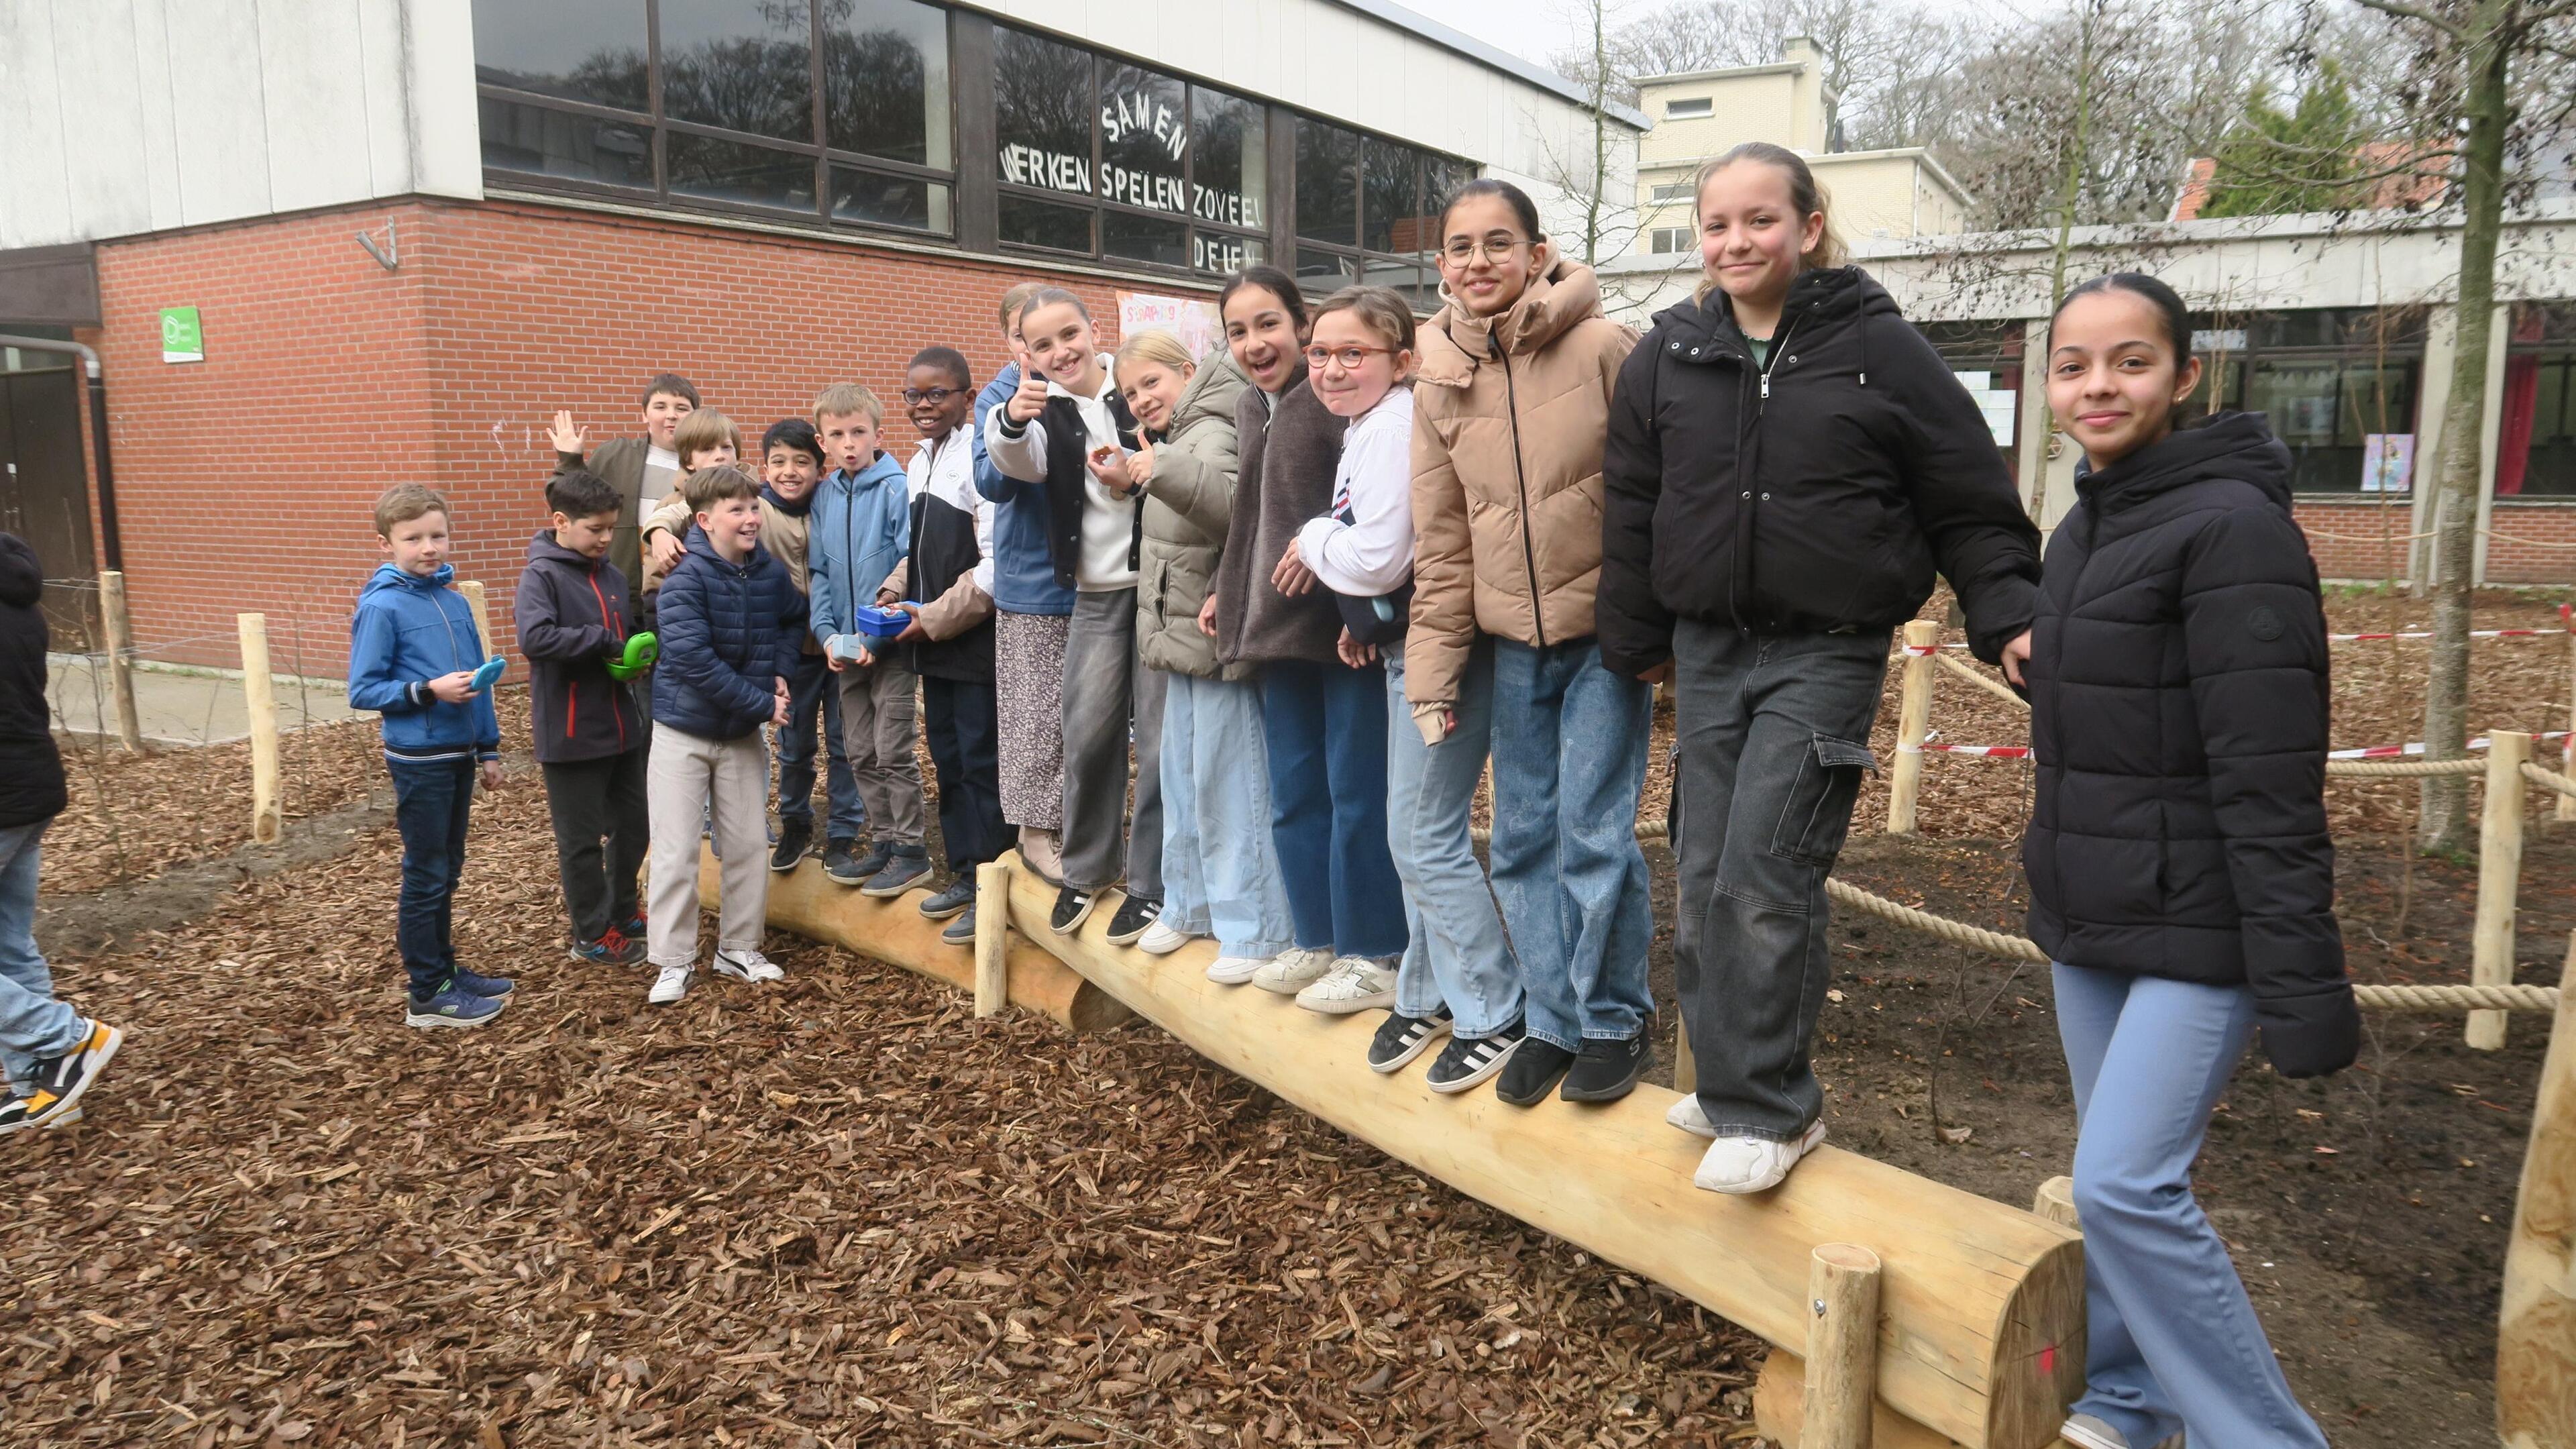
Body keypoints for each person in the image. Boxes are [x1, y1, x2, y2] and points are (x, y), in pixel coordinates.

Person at [1599, 142, 2041, 1193]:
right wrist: (1632, 640)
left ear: (1807, 226)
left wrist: (2011, 610)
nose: (1736, 241)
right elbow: (1632, 505)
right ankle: (1730, 1077)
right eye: (1717, 224)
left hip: (1827, 649)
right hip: (1710, 649)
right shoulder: (1671, 356)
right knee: (1703, 866)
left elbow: (1965, 495)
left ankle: (1775, 1107)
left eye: (1760, 220)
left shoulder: (1879, 351)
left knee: (1766, 866)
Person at [2029, 272, 2351, 1449]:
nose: (2099, 385)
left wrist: (2301, 975)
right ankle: (2127, 1393)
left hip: (2202, 923)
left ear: (2186, 374)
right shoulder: (2083, 529)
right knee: (2107, 1175)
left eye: (2129, 361)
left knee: (2125, 1184)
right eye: (2074, 365)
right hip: (2094, 909)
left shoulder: (2234, 530)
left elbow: (2270, 772)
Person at [1407, 178, 1643, 1102]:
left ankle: (1614, 1016)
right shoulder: (1440, 379)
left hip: (1601, 640)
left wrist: (1650, 627)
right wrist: (1434, 673)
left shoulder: (1605, 348)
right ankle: (1552, 1016)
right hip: (1513, 647)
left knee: (1593, 832)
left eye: (1498, 242)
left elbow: (1651, 495)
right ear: (1441, 267)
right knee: (1518, 838)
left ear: (1538, 253)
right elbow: (1442, 538)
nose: (1479, 262)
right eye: (1461, 247)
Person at [1269, 285, 1458, 1032]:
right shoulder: (1368, 426)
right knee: (1411, 823)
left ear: (1403, 359)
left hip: (1431, 648)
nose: (1331, 369)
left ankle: (1427, 985)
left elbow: (1378, 555)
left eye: (1354, 353)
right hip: (1395, 635)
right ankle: (1422, 982)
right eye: (1320, 354)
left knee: (1418, 828)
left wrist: (1311, 537)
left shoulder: (1388, 427)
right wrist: (1363, 621)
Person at [1208, 266, 1399, 994]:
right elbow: (1254, 520)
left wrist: (1353, 605)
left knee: (1355, 790)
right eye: (1238, 330)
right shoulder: (1252, 407)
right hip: (1275, 631)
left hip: (1339, 632)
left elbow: (1358, 509)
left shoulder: (1331, 402)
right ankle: (1316, 935)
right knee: (1294, 791)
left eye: (1269, 324)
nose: (1256, 342)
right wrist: (1225, 591)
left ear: (1301, 326)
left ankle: (1372, 947)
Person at [985, 288, 1165, 945]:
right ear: (1025, 353)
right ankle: (1089, 869)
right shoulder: (1037, 409)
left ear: (1094, 330)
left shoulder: (1134, 385)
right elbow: (1017, 464)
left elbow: (1180, 452)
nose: (1062, 351)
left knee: (1162, 746)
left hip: (1158, 588)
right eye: (1043, 344)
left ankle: (1150, 885)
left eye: (1070, 334)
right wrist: (1008, 421)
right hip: (1094, 595)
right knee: (1086, 735)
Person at [1111, 331, 1294, 971]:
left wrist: (1160, 470)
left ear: (1188, 371)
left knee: (1229, 783)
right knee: (1183, 778)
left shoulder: (1214, 430)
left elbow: (1236, 515)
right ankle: (1190, 906)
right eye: (1130, 392)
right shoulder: (1181, 436)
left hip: (1217, 639)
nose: (1140, 399)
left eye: (1152, 383)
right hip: (1183, 638)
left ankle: (1254, 928)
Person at [649, 418, 859, 871]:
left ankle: (844, 831)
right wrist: (659, 530)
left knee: (847, 744)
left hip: (837, 643)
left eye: (803, 462)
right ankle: (796, 823)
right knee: (795, 745)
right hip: (787, 656)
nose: (790, 471)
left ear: (821, 468)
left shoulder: (833, 500)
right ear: (763, 468)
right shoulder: (752, 507)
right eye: (778, 462)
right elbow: (680, 507)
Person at [347, 485, 512, 1028]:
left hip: (459, 753)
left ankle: (445, 971)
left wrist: (488, 748)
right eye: (413, 538)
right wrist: (427, 691)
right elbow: (364, 690)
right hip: (419, 758)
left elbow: (479, 681)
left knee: (449, 868)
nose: (428, 547)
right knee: (426, 872)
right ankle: (427, 991)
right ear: (385, 544)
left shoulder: (454, 600)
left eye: (436, 535)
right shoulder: (381, 606)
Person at [644, 464, 802, 1004]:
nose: (751, 518)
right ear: (706, 520)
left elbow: (790, 620)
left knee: (747, 844)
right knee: (675, 850)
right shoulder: (684, 580)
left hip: (739, 736)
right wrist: (764, 703)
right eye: (737, 510)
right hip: (682, 733)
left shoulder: (770, 574)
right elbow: (693, 662)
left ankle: (738, 947)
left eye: (754, 507)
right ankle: (672, 961)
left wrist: (780, 669)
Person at [885, 346, 1008, 945]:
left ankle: (996, 887)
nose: (924, 405)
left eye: (938, 393)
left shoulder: (979, 458)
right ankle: (965, 872)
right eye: (913, 395)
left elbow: (994, 565)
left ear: (967, 395)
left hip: (974, 642)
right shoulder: (918, 462)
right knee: (950, 761)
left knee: (983, 764)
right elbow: (920, 548)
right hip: (931, 639)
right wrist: (894, 591)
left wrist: (932, 617)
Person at [0, 532, 120, 1134]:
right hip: (31, 785)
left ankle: (68, 1039)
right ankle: (42, 1086)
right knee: (8, 942)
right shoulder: (16, 591)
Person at [517, 468, 650, 967]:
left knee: (634, 826)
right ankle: (591, 933)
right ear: (561, 522)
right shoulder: (542, 575)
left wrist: (636, 659)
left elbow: (625, 635)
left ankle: (622, 911)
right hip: (571, 733)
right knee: (581, 843)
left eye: (610, 529)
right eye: (594, 529)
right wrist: (600, 640)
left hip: (620, 724)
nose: (603, 539)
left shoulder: (612, 576)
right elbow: (536, 639)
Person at [807, 384, 930, 896]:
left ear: (879, 434)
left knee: (892, 749)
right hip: (845, 652)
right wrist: (829, 636)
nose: (850, 443)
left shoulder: (896, 487)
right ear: (823, 442)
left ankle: (912, 850)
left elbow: (910, 559)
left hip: (891, 646)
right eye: (838, 435)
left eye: (859, 432)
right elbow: (816, 572)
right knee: (858, 751)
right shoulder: (824, 495)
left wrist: (873, 637)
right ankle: (882, 842)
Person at [971, 282, 1073, 888]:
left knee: (1083, 718)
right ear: (1011, 340)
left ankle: (1082, 826)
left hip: (1096, 579)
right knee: (1035, 716)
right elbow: (992, 482)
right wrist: (1013, 419)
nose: (1044, 348)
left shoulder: (1089, 383)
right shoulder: (1002, 394)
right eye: (1025, 333)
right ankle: (1036, 832)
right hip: (1033, 583)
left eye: (1060, 334)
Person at [549, 372, 700, 602]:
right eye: (661, 406)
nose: (672, 415)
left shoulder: (708, 462)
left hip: (686, 590)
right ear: (644, 414)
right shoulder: (615, 456)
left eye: (682, 408)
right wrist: (570, 462)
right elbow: (566, 504)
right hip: (621, 591)